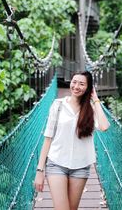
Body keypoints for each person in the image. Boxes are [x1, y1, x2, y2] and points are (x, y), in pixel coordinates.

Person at [34, 71, 110, 210]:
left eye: (82, 84)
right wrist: (40, 171)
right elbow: (48, 138)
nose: (76, 86)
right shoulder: (57, 105)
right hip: (56, 163)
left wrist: (96, 100)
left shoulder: (91, 110)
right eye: (74, 82)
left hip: (81, 166)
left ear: (88, 88)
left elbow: (104, 126)